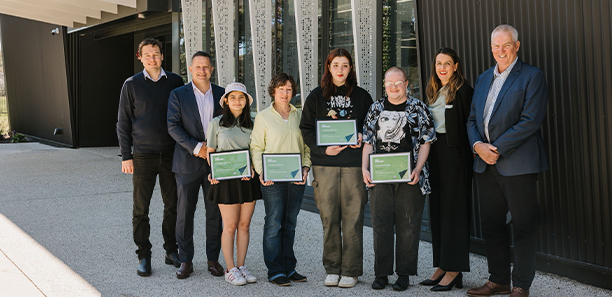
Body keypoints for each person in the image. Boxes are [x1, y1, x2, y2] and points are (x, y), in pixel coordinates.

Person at [466, 24, 549, 297]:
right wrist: (478, 146)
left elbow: (530, 121)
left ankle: (521, 285)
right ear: (491, 48)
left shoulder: (532, 76)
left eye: (506, 45)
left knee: (523, 225)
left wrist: (496, 149)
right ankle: (498, 280)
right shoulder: (482, 79)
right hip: (484, 164)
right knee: (492, 225)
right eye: (496, 46)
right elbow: (471, 120)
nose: (501, 51)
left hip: (518, 164)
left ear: (517, 46)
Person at [299, 48, 373, 288]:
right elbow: (306, 130)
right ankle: (332, 268)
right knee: (329, 218)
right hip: (325, 166)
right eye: (336, 65)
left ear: (351, 68)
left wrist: (362, 135)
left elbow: (371, 129)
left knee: (353, 219)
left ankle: (351, 270)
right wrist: (323, 149)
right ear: (328, 68)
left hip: (353, 166)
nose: (340, 70)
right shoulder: (316, 97)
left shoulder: (362, 97)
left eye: (345, 65)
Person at [362, 66, 436, 291]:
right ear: (384, 85)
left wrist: (418, 168)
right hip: (380, 176)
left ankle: (404, 274)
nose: (393, 87)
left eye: (398, 83)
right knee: (380, 225)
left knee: (408, 225)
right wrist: (364, 169)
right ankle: (381, 274)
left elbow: (426, 141)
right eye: (389, 83)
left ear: (406, 84)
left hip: (410, 177)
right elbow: (367, 141)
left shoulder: (418, 108)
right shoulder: (375, 108)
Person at [116, 38, 184, 276]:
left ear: (162, 56)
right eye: (147, 55)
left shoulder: (176, 82)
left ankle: (171, 250)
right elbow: (123, 123)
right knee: (140, 209)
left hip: (171, 155)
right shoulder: (131, 84)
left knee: (173, 206)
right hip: (142, 156)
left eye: (156, 54)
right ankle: (144, 256)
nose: (152, 58)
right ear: (140, 57)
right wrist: (127, 155)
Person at [167, 51, 225, 279]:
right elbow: (173, 126)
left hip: (215, 163)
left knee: (214, 214)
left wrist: (212, 149)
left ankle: (213, 259)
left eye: (206, 67)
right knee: (184, 213)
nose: (202, 70)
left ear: (212, 69)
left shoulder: (222, 94)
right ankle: (185, 260)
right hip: (186, 163)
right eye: (198, 67)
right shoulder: (177, 94)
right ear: (190, 69)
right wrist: (196, 147)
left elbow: (228, 125)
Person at [420, 48, 474, 291]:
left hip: (455, 155)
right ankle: (441, 265)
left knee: (454, 211)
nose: (442, 68)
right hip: (435, 153)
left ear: (456, 66)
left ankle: (455, 269)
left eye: (447, 63)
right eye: (438, 63)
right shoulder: (433, 91)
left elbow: (470, 125)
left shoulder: (463, 91)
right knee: (438, 210)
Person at [250, 73, 311, 286]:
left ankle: (289, 267)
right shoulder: (263, 117)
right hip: (272, 179)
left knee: (290, 223)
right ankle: (275, 270)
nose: (285, 93)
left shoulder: (300, 115)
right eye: (280, 89)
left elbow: (306, 146)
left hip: (296, 178)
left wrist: (305, 168)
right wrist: (261, 171)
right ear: (273, 92)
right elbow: (256, 147)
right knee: (274, 222)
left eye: (288, 89)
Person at [206, 82, 261, 286]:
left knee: (244, 225)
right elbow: (210, 152)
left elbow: (256, 150)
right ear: (226, 101)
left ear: (246, 101)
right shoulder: (216, 123)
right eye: (233, 97)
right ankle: (230, 269)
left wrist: (253, 169)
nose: (237, 101)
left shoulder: (254, 123)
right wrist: (213, 172)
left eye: (242, 97)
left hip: (247, 179)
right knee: (229, 226)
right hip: (225, 180)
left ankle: (241, 266)